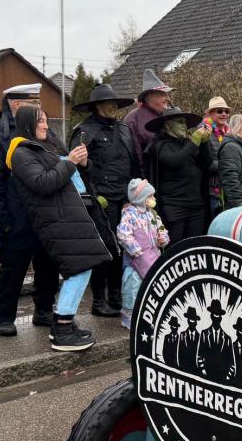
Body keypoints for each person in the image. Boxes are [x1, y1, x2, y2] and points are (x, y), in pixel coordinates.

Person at [7, 106, 110, 351]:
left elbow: (61, 176)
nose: (46, 125)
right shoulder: (21, 153)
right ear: (28, 124)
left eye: (45, 120)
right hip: (55, 220)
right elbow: (44, 183)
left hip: (65, 217)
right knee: (81, 268)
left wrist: (82, 164)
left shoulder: (40, 148)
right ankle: (63, 327)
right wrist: (70, 163)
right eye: (40, 121)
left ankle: (64, 323)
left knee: (82, 267)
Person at [0, 85, 59, 337]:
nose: (38, 106)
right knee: (12, 272)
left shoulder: (46, 132)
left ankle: (44, 311)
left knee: (48, 269)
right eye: (31, 102)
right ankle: (5, 317)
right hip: (16, 219)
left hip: (46, 217)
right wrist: (0, 220)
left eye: (38, 101)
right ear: (14, 104)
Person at [69, 84, 136, 318]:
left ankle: (116, 296)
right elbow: (77, 167)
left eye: (115, 103)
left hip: (124, 198)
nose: (114, 107)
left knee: (121, 248)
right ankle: (98, 300)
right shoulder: (85, 131)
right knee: (104, 249)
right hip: (100, 200)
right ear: (98, 106)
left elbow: (133, 162)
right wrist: (92, 193)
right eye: (109, 103)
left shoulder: (124, 129)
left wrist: (135, 195)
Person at [145, 107, 212, 243]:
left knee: (195, 246)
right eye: (179, 122)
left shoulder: (188, 143)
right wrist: (195, 142)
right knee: (175, 247)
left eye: (185, 122)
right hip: (174, 207)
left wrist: (204, 143)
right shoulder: (160, 145)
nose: (184, 125)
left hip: (196, 205)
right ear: (167, 124)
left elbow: (206, 164)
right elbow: (175, 161)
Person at [116, 178, 169, 329]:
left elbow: (162, 229)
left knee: (151, 285)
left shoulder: (152, 214)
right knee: (133, 287)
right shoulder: (129, 214)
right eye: (150, 196)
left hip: (152, 257)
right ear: (140, 198)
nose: (153, 199)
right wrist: (135, 250)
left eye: (153, 196)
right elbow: (123, 234)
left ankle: (148, 313)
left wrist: (162, 239)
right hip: (135, 260)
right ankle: (130, 316)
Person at [123, 69, 172, 169]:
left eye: (167, 95)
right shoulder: (133, 119)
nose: (168, 99)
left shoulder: (167, 115)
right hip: (149, 178)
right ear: (150, 96)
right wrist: (143, 180)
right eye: (163, 94)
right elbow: (136, 156)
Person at [217, 113, 242, 209]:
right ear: (236, 129)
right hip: (241, 208)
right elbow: (230, 182)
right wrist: (241, 207)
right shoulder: (231, 148)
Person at [203, 96, 231, 216]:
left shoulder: (229, 132)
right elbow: (206, 164)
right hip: (212, 190)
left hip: (227, 187)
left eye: (226, 111)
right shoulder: (204, 132)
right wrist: (229, 165)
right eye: (219, 111)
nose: (224, 114)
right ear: (210, 114)